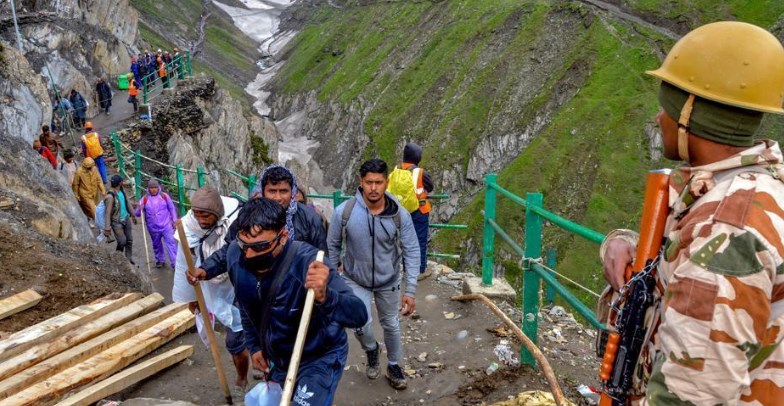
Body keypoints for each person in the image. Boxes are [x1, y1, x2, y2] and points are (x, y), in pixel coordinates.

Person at [599, 21, 784, 404]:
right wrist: (623, 244)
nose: (658, 118)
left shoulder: (726, 233)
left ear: (689, 115)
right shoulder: (749, 188)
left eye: (665, 107)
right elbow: (684, 260)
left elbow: (690, 395)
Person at [187, 198, 368, 405]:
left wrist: (326, 296)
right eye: (243, 244)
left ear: (283, 236)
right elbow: (247, 308)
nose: (249, 254)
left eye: (260, 246)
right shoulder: (235, 257)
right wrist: (255, 347)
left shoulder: (308, 264)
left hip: (318, 358)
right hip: (278, 359)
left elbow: (359, 315)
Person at [326, 158, 420, 390]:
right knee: (360, 324)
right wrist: (335, 271)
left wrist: (410, 290)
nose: (374, 188)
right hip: (355, 278)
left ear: (386, 182)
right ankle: (371, 349)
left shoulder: (399, 214)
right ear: (361, 182)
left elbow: (412, 249)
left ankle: (394, 365)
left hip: (389, 280)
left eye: (379, 182)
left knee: (391, 324)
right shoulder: (344, 212)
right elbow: (332, 243)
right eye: (369, 182)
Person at [172, 187, 250, 394]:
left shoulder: (236, 222)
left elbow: (230, 254)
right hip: (208, 279)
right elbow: (183, 264)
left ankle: (265, 366)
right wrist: (190, 297)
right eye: (197, 214)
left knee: (260, 331)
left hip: (241, 283)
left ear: (217, 212)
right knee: (234, 339)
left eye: (205, 215)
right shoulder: (188, 227)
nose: (201, 220)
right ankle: (242, 377)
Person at [399, 142, 434, 279]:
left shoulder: (397, 170)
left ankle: (407, 269)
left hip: (401, 211)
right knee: (420, 240)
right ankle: (419, 271)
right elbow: (430, 187)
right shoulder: (420, 172)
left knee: (406, 241)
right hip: (419, 210)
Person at [135, 179, 178, 269]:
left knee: (171, 243)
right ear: (148, 188)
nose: (153, 190)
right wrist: (139, 208)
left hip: (166, 225)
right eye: (151, 188)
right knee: (156, 244)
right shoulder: (144, 199)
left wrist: (174, 220)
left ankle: (175, 262)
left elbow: (172, 208)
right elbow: (137, 214)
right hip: (153, 227)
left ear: (158, 187)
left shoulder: (164, 196)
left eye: (155, 187)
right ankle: (160, 260)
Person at [104, 175, 137, 263]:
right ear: (120, 183)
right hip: (116, 222)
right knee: (122, 241)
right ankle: (118, 258)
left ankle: (128, 259)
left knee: (129, 240)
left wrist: (133, 215)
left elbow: (127, 203)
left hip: (126, 219)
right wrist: (107, 228)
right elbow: (107, 213)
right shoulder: (110, 197)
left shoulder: (122, 191)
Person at [72, 157, 105, 224]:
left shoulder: (94, 169)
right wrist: (76, 194)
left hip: (95, 192)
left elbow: (99, 180)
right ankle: (100, 224)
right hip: (85, 194)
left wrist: (102, 189)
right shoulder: (79, 172)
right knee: (93, 209)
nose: (90, 169)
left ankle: (91, 219)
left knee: (96, 207)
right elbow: (75, 184)